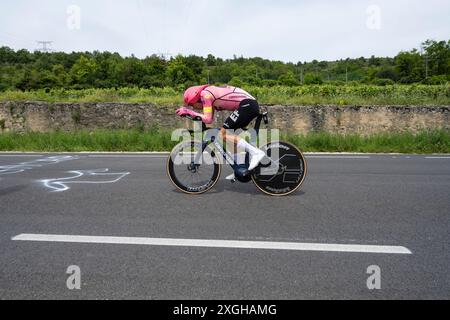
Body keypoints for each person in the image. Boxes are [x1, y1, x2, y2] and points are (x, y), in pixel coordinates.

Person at [176, 85, 266, 180]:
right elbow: (209, 119)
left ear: (195, 99)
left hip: (247, 105)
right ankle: (239, 169)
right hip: (248, 105)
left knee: (222, 134)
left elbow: (206, 118)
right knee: (230, 136)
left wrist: (188, 112)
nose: (194, 107)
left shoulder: (205, 95)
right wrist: (192, 115)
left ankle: (256, 153)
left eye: (192, 105)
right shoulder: (208, 94)